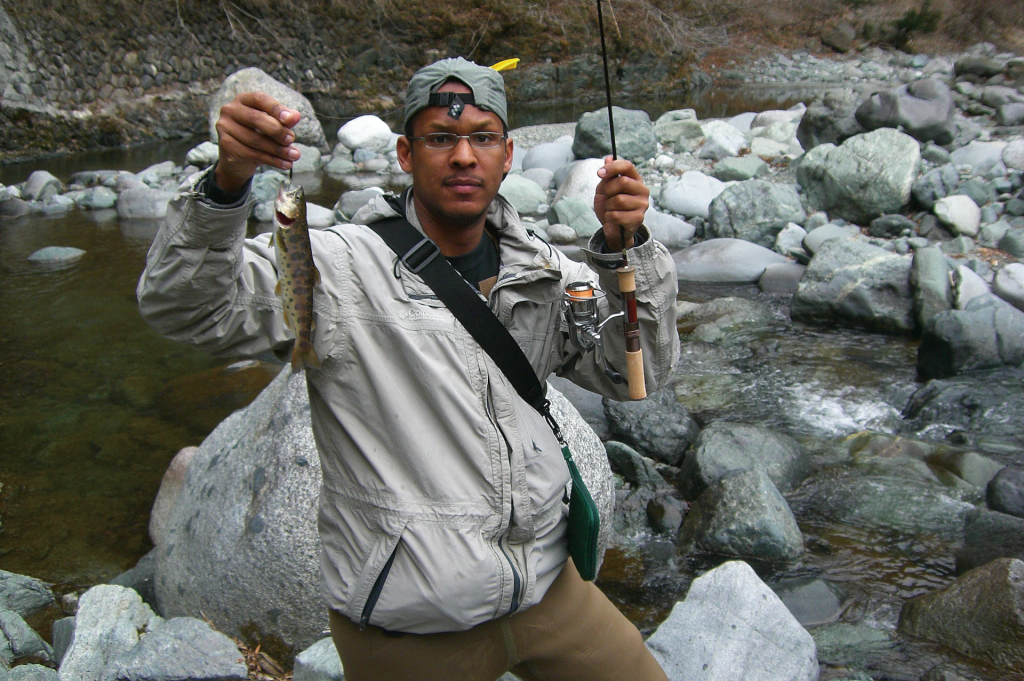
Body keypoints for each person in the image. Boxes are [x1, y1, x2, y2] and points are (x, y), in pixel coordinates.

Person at [138, 57, 678, 681]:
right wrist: (226, 186)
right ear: (404, 153)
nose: (463, 157)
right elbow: (189, 309)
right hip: (409, 624)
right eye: (440, 138)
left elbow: (633, 378)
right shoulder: (335, 270)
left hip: (546, 589)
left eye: (481, 138)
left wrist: (626, 252)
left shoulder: (545, 272)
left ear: (507, 155)